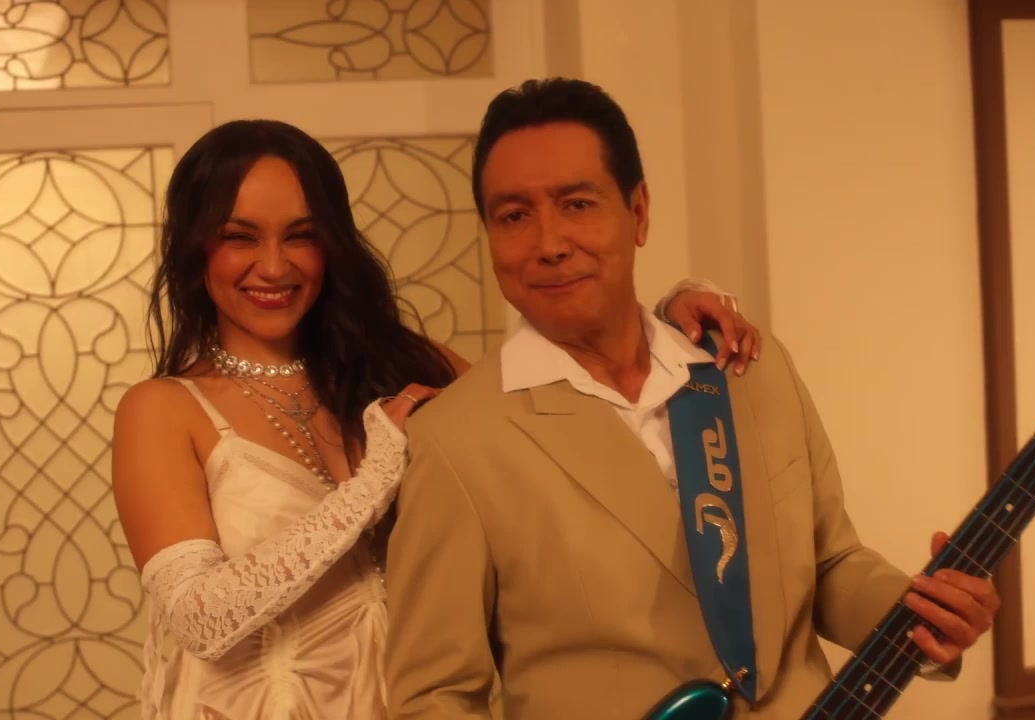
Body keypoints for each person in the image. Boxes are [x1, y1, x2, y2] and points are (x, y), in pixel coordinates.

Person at [381, 78, 1001, 720]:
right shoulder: (458, 441)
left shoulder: (750, 367)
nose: (550, 243)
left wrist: (925, 615)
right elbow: (434, 696)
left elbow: (830, 563)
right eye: (514, 216)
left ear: (639, 210)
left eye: (577, 204)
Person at [110, 118, 762, 719]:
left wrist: (662, 329)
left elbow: (561, 407)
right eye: (240, 237)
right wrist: (372, 485)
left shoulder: (401, 364)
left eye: (301, 236)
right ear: (194, 249)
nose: (275, 265)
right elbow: (200, 619)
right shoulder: (162, 408)